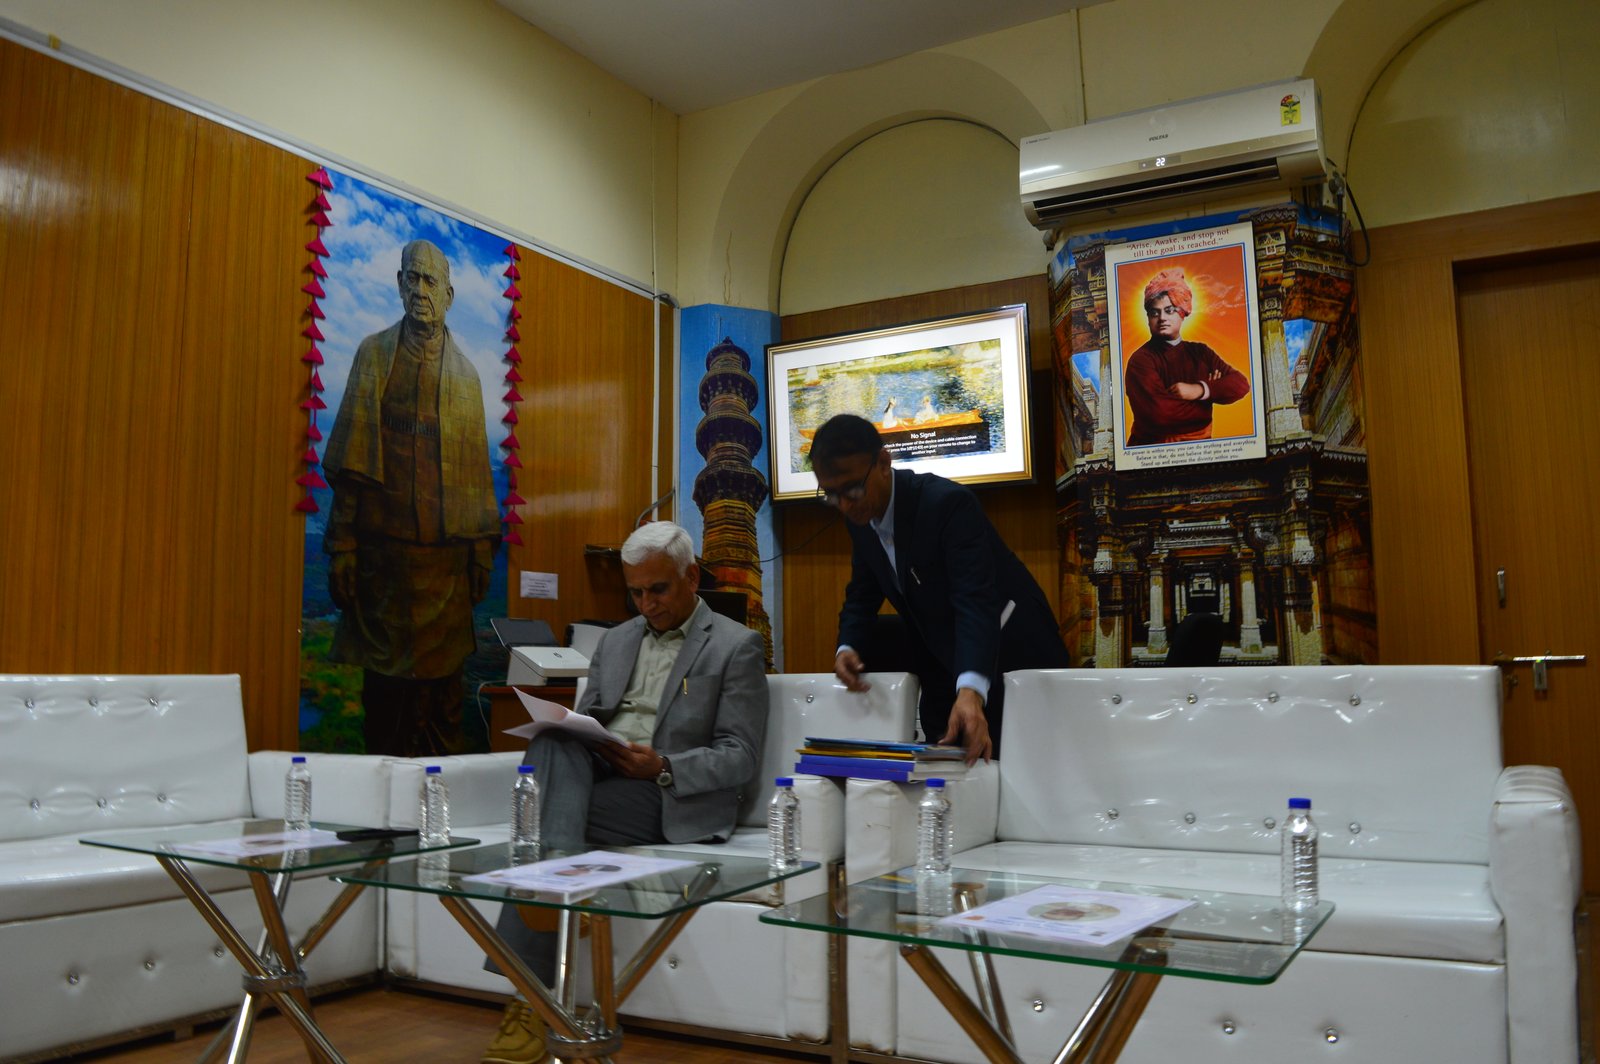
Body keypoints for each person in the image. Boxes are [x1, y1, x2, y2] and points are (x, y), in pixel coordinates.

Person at [481, 520, 768, 1064]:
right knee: (552, 741)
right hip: (603, 774)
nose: (646, 604)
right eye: (635, 593)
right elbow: (591, 718)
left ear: (692, 577)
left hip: (666, 792)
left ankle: (528, 997)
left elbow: (741, 755)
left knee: (549, 817)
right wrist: (579, 730)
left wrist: (664, 765)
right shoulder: (615, 640)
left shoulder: (737, 645)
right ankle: (562, 902)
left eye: (658, 590)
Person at [321, 239, 500, 757]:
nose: (421, 290)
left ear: (448, 294)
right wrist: (344, 548)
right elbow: (351, 466)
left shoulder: (467, 378)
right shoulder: (373, 355)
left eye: (430, 281)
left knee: (443, 707)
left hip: (445, 574)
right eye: (412, 278)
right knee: (385, 705)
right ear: (399, 284)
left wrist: (480, 555)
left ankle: (439, 799)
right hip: (385, 570)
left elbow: (476, 478)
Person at [811, 414, 1070, 763]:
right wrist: (848, 645)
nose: (844, 505)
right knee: (949, 766)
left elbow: (974, 600)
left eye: (852, 489)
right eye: (831, 495)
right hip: (943, 658)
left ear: (884, 462)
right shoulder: (860, 519)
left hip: (1015, 652)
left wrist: (971, 689)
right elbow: (862, 592)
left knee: (1025, 768)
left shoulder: (946, 504)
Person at [1123, 268, 1250, 446]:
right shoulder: (1140, 360)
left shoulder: (1201, 352)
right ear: (1148, 319)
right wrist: (1210, 398)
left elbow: (1241, 385)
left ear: (1182, 313)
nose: (1162, 318)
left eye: (1169, 310)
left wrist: (1198, 390)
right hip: (1152, 454)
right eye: (1154, 313)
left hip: (1200, 451)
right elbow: (1160, 415)